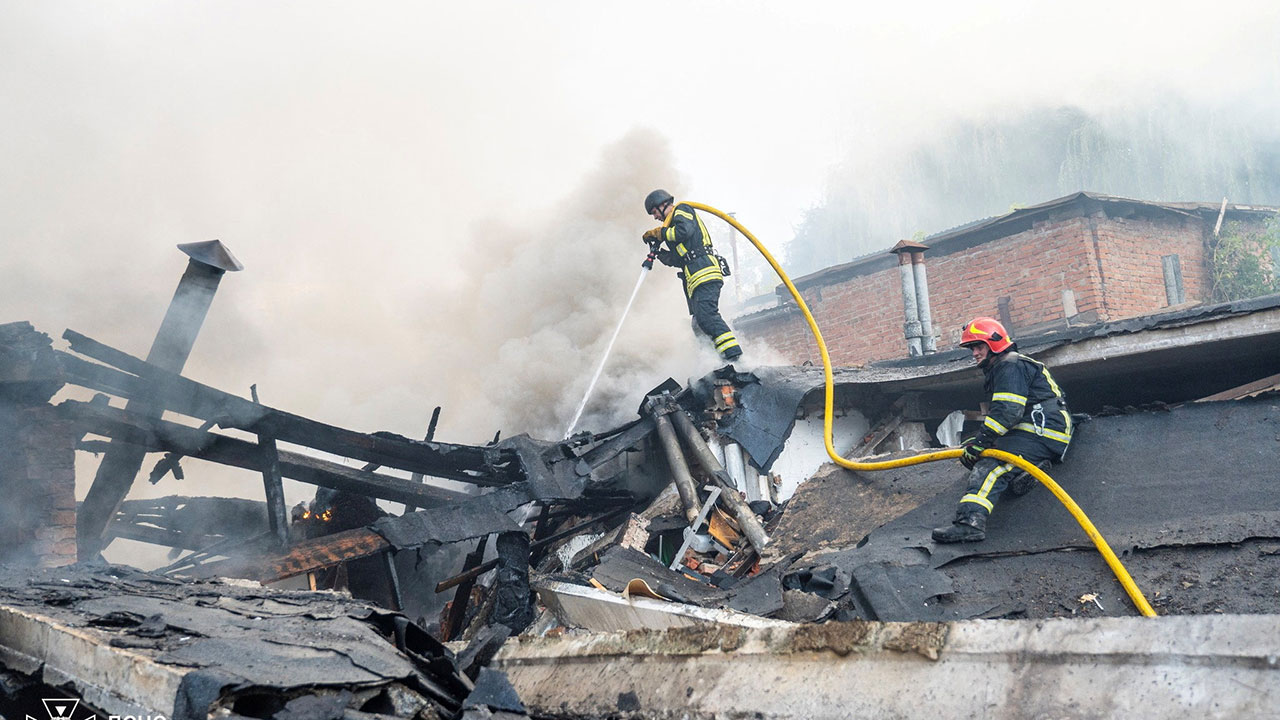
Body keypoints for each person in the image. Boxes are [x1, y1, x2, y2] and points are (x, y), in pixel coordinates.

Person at [932, 317, 1073, 543]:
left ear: (994, 343)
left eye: (979, 347)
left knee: (990, 467)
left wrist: (982, 443)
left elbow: (1008, 413)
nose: (974, 353)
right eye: (972, 348)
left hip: (1040, 431)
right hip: (1038, 431)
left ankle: (970, 523)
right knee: (981, 449)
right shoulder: (1008, 365)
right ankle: (1026, 470)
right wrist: (979, 441)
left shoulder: (1010, 365)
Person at [641, 189, 743, 361]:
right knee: (698, 324)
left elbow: (683, 232)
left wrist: (660, 233)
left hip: (705, 272)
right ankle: (713, 362)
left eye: (654, 212)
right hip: (694, 279)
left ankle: (734, 358)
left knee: (707, 316)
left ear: (663, 204)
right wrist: (659, 254)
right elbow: (678, 258)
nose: (655, 217)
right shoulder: (671, 227)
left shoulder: (682, 210)